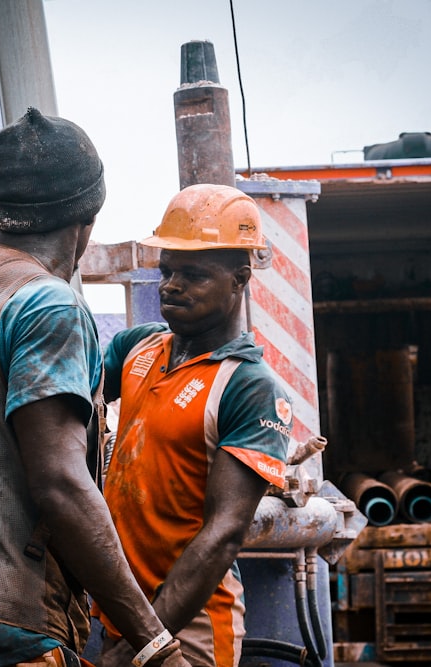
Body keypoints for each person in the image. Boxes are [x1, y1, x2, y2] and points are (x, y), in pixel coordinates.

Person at [0, 108, 190, 667]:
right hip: (6, 628)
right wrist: (155, 643)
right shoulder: (48, 303)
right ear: (87, 216)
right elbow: (60, 483)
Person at [95, 184, 293, 667]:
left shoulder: (248, 386)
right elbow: (65, 404)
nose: (170, 285)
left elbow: (223, 532)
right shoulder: (138, 349)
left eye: (194, 274)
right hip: (120, 615)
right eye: (166, 271)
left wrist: (145, 643)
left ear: (239, 279)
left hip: (189, 631)